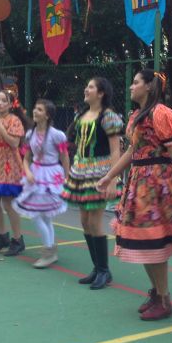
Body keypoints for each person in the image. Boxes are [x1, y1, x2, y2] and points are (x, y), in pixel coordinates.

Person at [97, 70, 172, 321]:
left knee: (154, 242)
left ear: (149, 87)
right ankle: (157, 293)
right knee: (142, 241)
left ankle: (164, 299)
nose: (131, 87)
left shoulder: (161, 113)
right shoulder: (137, 116)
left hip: (158, 184)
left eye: (136, 83)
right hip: (140, 184)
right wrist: (109, 176)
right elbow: (132, 152)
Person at [62, 78, 123, 289]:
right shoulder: (81, 115)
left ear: (101, 93)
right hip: (82, 170)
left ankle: (104, 270)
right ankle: (97, 267)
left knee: (95, 220)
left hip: (100, 171)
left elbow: (115, 150)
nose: (86, 89)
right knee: (85, 220)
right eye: (87, 86)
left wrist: (113, 178)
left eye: (91, 87)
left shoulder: (108, 116)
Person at [13, 100, 70, 268]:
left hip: (50, 176)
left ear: (47, 115)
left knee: (40, 215)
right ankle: (50, 250)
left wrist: (67, 177)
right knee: (41, 215)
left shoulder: (56, 135)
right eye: (35, 108)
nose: (35, 111)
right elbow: (26, 158)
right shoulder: (30, 134)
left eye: (39, 109)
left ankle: (48, 251)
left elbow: (64, 157)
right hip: (36, 174)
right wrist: (28, 172)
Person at [0, 90, 28, 255]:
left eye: (4, 100)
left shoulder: (14, 120)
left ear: (10, 105)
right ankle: (2, 236)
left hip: (10, 162)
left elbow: (14, 143)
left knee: (8, 202)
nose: (0, 103)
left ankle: (17, 239)